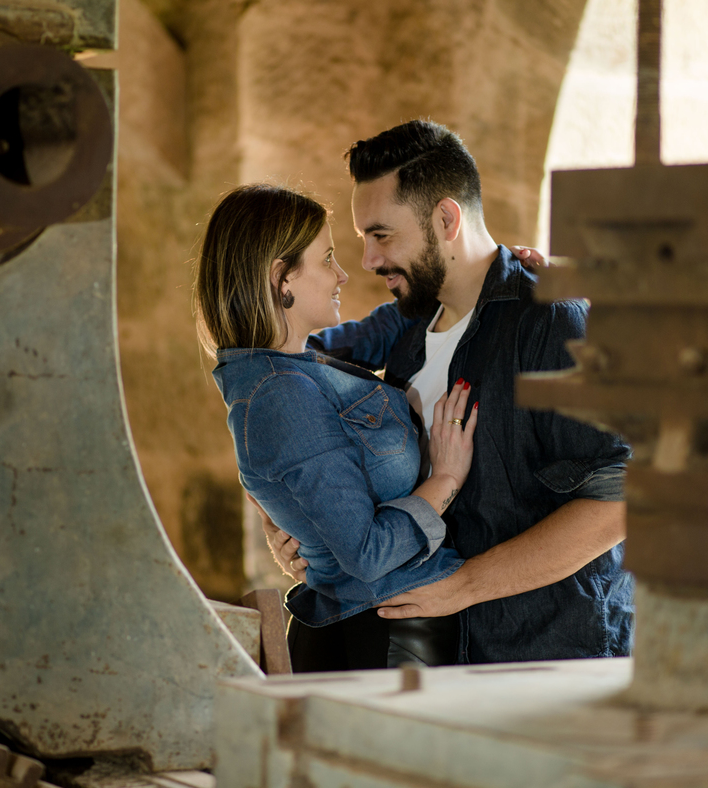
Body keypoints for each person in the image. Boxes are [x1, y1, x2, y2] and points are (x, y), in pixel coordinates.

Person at [265, 120, 634, 664]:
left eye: (381, 235)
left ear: (445, 218)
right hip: (443, 666)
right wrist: (297, 531)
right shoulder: (408, 334)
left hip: (549, 666)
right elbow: (275, 397)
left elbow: (619, 503)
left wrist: (466, 585)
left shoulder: (554, 321)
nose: (367, 260)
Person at [195, 183, 482, 671]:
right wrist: (445, 481)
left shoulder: (292, 365)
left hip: (383, 623)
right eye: (327, 259)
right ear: (281, 279)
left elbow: (393, 324)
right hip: (385, 636)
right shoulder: (280, 394)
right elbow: (367, 553)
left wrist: (494, 269)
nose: (344, 273)